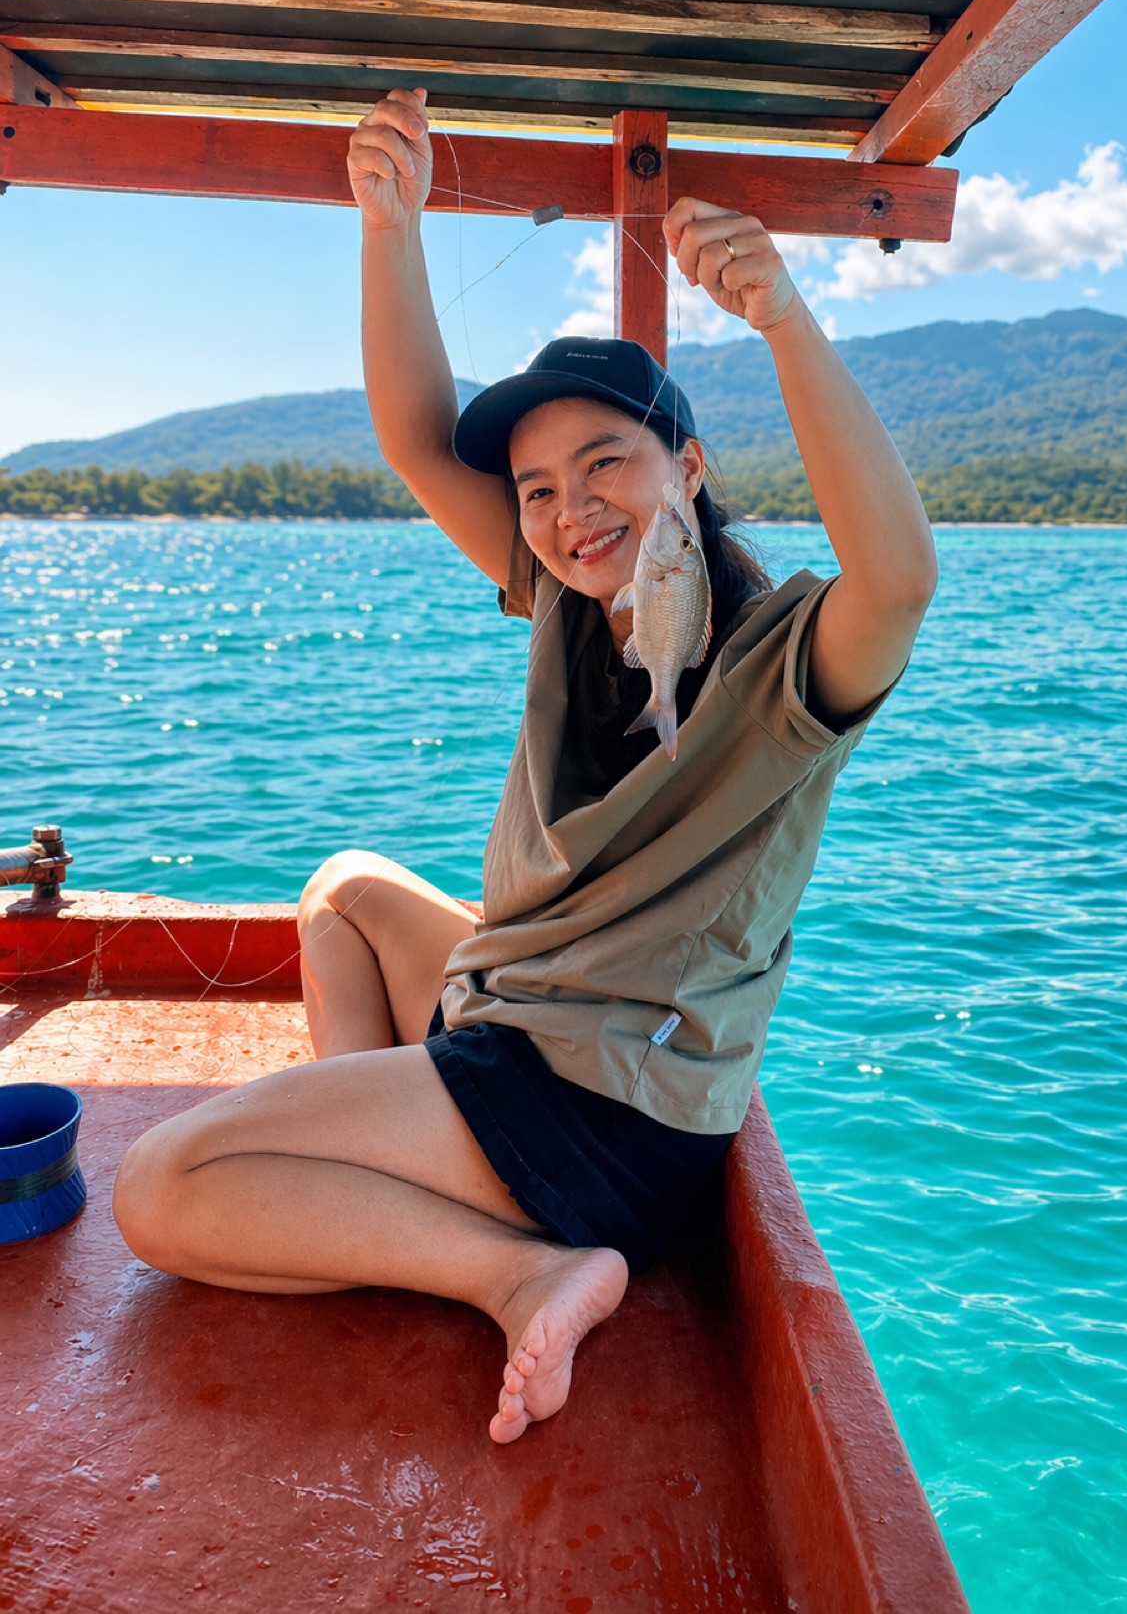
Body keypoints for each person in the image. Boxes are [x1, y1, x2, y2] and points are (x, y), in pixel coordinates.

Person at [112, 88, 937, 1445]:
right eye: (539, 488)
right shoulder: (569, 599)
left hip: (606, 1104)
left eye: (603, 463)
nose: (565, 510)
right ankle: (387, 1196)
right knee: (348, 890)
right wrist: (391, 220)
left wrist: (782, 315)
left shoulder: (781, 662)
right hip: (519, 1019)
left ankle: (519, 1269)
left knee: (159, 1187)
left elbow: (898, 578)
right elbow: (416, 436)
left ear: (686, 463)